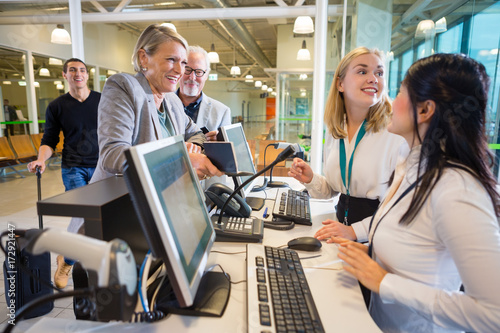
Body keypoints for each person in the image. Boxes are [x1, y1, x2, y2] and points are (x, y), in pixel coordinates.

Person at [334, 53, 500, 332]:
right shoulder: (412, 167)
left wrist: (385, 282)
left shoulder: (456, 190)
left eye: (400, 92)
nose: (391, 100)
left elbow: (493, 314)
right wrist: (364, 253)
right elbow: (414, 249)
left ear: (425, 111)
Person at [289, 47, 406, 242]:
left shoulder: (396, 131)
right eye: (362, 71)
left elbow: (403, 206)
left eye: (379, 73)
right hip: (341, 231)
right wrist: (311, 179)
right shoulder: (337, 128)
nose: (373, 79)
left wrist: (355, 232)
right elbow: (336, 190)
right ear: (340, 84)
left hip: (379, 238)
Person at [90, 24, 221, 184]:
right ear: (143, 57)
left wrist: (191, 147)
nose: (180, 71)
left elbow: (197, 134)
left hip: (162, 195)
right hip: (121, 197)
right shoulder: (124, 87)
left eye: (183, 63)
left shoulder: (172, 100)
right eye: (171, 60)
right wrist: (181, 160)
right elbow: (112, 155)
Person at [27, 58, 100, 289]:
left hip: (102, 166)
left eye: (82, 70)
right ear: (64, 75)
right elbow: (49, 140)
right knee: (84, 215)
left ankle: (68, 257)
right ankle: (68, 262)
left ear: (87, 75)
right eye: (72, 70)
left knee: (97, 219)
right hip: (73, 167)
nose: (77, 74)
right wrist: (41, 158)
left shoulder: (102, 100)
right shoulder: (57, 106)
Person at [177, 45, 231, 141]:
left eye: (198, 72)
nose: (192, 77)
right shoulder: (161, 103)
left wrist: (219, 145)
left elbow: (227, 152)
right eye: (187, 70)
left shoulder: (222, 112)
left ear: (206, 75)